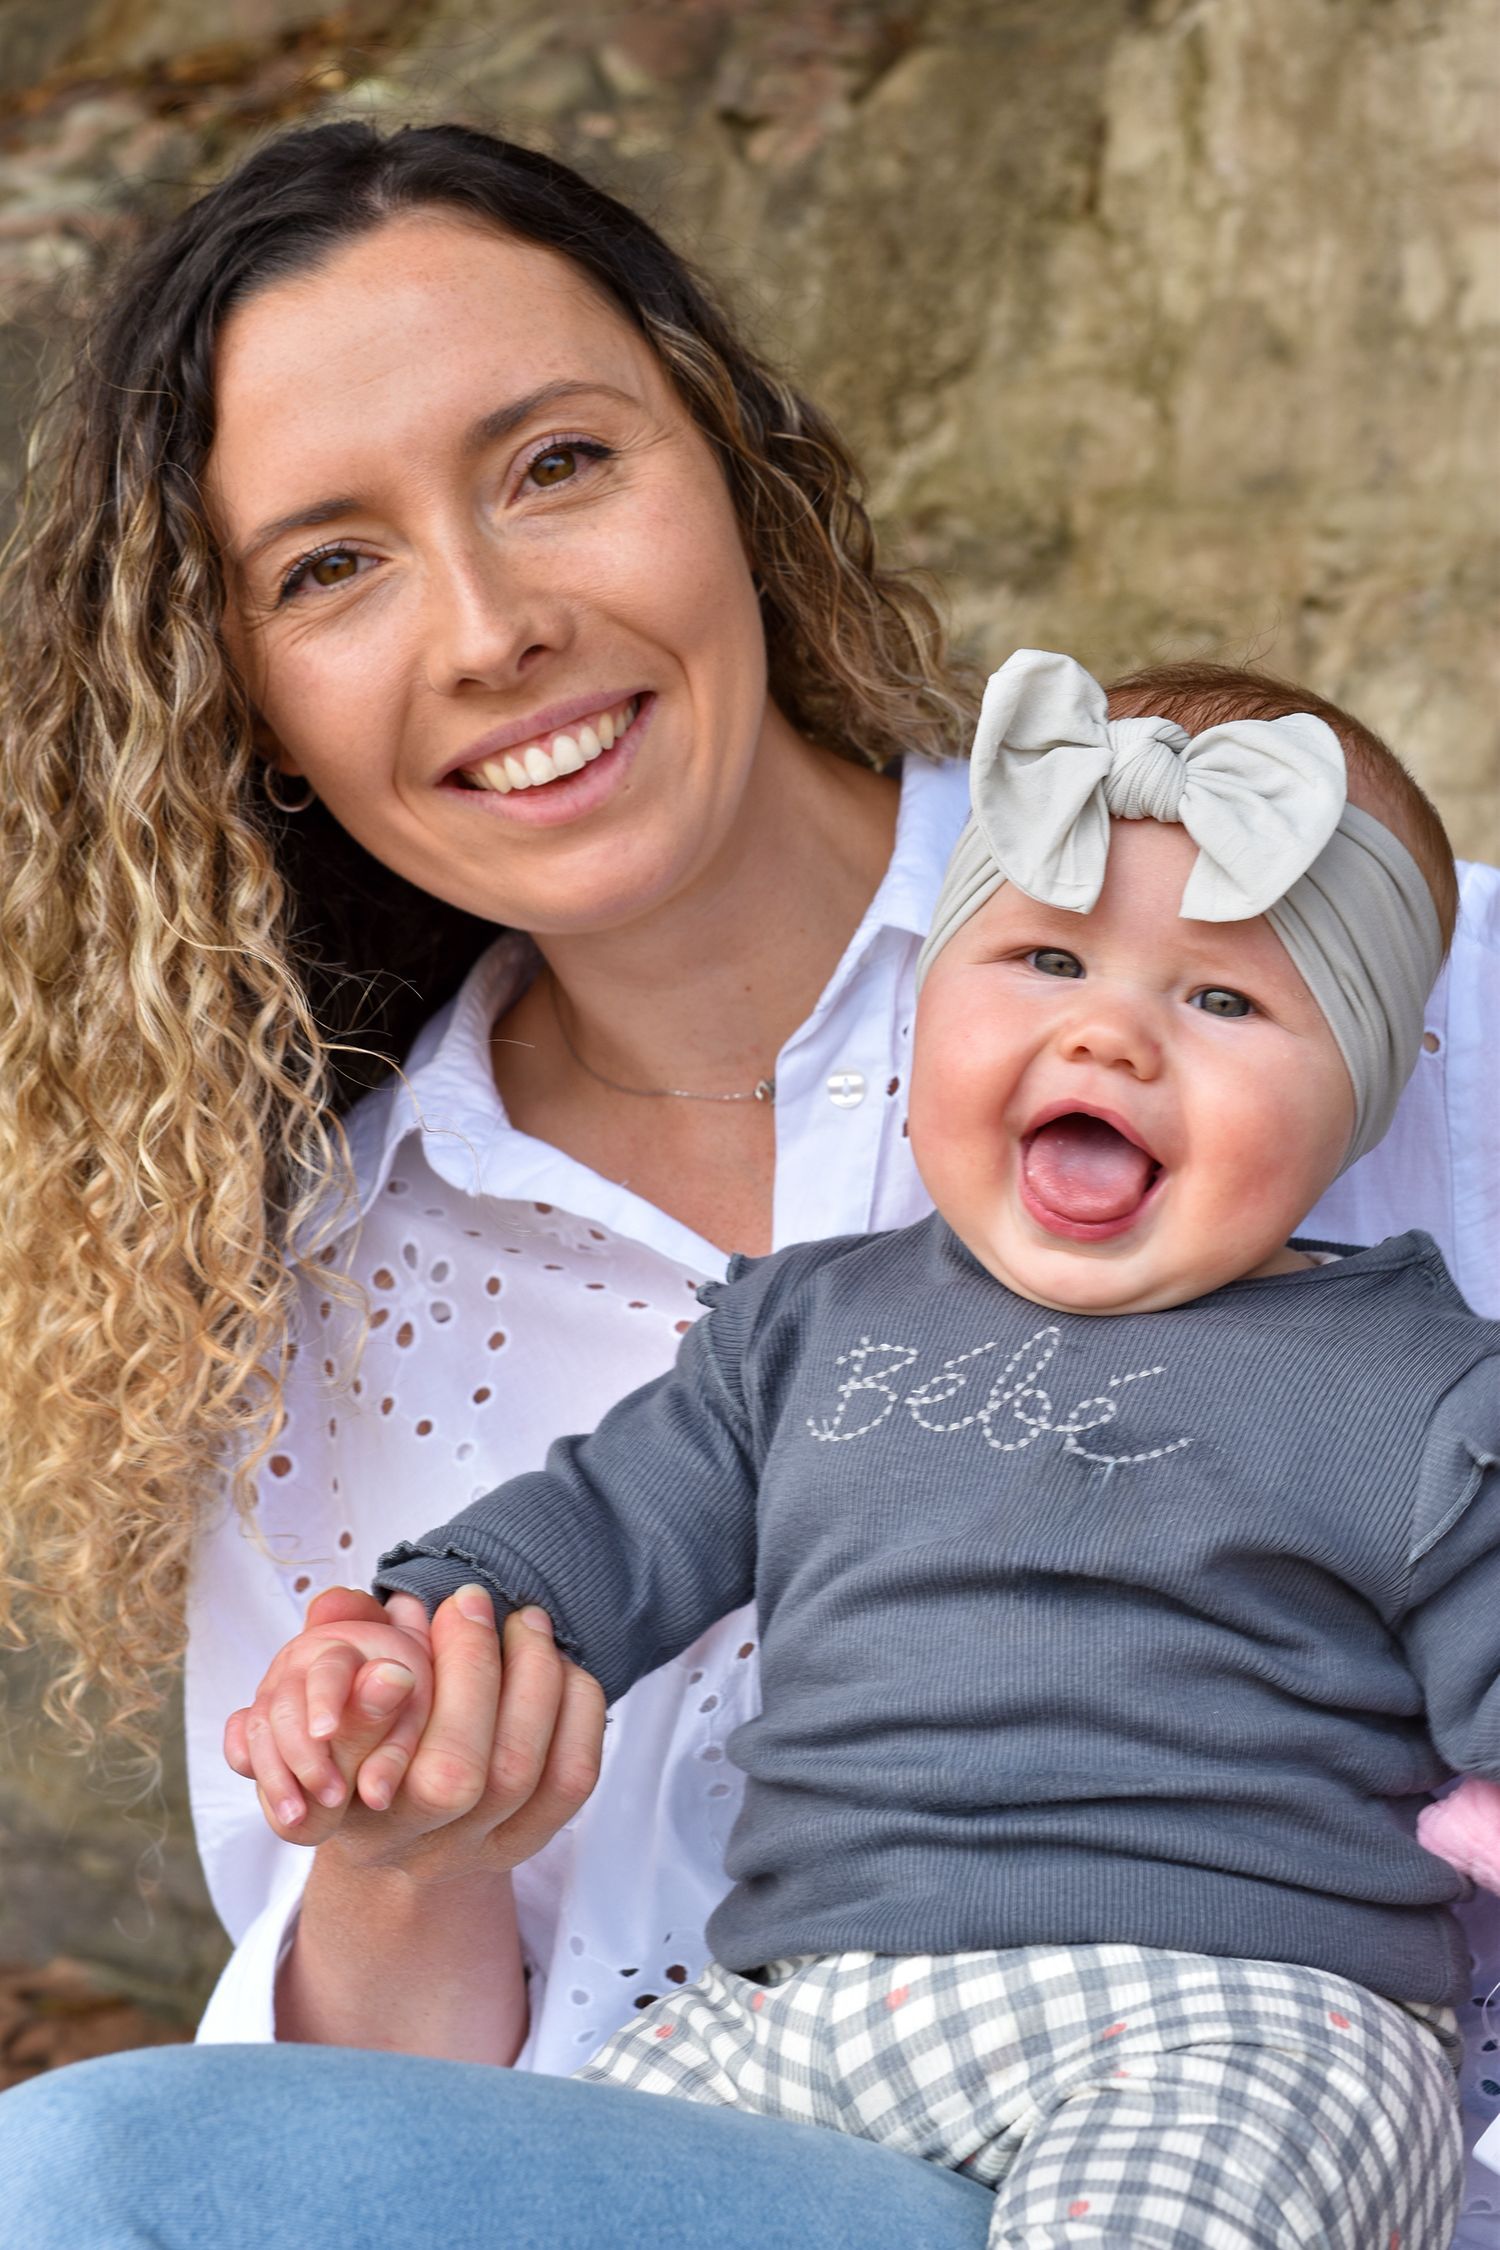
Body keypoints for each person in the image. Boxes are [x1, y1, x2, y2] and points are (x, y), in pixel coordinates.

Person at [0, 120, 1496, 2250]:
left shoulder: (1413, 992)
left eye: (556, 464)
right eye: (330, 566)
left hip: (1269, 2120)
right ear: (237, 698)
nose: (495, 629)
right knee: (85, 2177)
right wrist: (401, 1832)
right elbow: (377, 2152)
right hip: (765, 2116)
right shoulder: (320, 1292)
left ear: (734, 462)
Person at [239, 649, 1491, 2247]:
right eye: (1045, 957)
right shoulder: (805, 1327)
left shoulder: (1423, 1391)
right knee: (543, 2195)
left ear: (1360, 1087)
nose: (1108, 1037)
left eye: (1222, 998)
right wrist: (408, 1650)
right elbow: (594, 1536)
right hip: (801, 2015)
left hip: (1238, 2016)